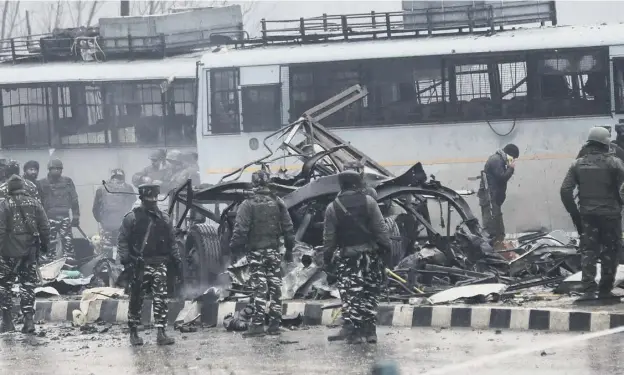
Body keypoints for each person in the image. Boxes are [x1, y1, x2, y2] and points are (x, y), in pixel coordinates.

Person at [323, 170, 391, 344]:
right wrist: (386, 250)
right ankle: (370, 332)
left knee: (352, 296)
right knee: (370, 293)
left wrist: (327, 259)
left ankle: (355, 333)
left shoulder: (333, 207)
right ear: (357, 183)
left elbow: (329, 238)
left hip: (349, 258)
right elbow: (381, 229)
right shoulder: (369, 202)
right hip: (370, 257)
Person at [229, 170, 295, 337]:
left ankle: (257, 325)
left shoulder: (248, 204)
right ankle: (274, 324)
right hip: (273, 251)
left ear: (254, 183)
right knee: (275, 287)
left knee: (260, 287)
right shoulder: (277, 202)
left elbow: (240, 230)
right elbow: (288, 228)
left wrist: (234, 249)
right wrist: (289, 250)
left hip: (256, 252)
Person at [560, 127, 624, 300]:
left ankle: (588, 290)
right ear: (605, 143)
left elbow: (565, 191)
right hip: (611, 216)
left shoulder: (577, 164)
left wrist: (576, 214)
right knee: (611, 252)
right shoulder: (615, 163)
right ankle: (605, 290)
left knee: (589, 251)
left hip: (587, 216)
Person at [117, 184, 182, 346]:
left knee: (161, 298)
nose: (153, 201)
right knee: (136, 298)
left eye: (155, 198)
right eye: (149, 198)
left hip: (159, 263)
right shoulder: (132, 218)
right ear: (142, 198)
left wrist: (177, 262)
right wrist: (126, 260)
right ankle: (133, 332)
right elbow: (123, 240)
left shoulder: (165, 218)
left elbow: (172, 242)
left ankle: (161, 332)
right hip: (139, 265)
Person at [0, 175, 50, 333]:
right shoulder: (35, 203)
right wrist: (44, 246)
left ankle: (7, 321)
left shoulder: (4, 204)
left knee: (4, 286)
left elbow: (0, 229)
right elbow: (45, 227)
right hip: (29, 251)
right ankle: (29, 321)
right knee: (28, 286)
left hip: (8, 252)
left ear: (9, 189)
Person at [477, 144, 519, 251]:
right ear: (510, 155)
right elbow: (502, 178)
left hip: (493, 199)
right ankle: (491, 251)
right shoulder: (496, 160)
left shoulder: (499, 159)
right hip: (489, 199)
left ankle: (498, 249)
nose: (513, 160)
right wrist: (511, 168)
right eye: (513, 158)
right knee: (492, 228)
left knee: (498, 228)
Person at [38, 159, 80, 262]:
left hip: (64, 216)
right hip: (48, 218)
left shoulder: (67, 181)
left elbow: (74, 199)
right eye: (54, 169)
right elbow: (38, 202)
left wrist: (76, 216)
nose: (57, 171)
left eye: (59, 169)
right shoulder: (41, 183)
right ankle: (49, 268)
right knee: (49, 244)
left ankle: (70, 265)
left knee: (68, 243)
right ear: (49, 169)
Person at [92, 169, 136, 258]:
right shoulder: (128, 187)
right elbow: (133, 206)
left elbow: (95, 209)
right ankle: (121, 268)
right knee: (123, 249)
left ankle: (105, 268)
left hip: (106, 225)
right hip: (123, 225)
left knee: (105, 251)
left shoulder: (102, 188)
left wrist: (101, 221)